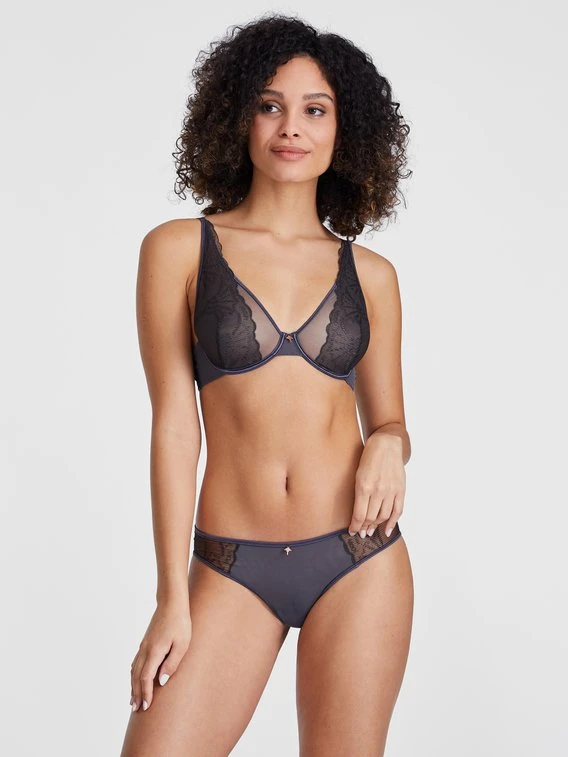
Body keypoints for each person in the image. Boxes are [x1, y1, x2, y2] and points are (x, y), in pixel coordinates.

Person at [121, 13, 414, 757]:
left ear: (345, 131)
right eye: (270, 105)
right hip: (230, 563)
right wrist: (171, 596)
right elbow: (174, 424)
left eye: (316, 109)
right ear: (237, 116)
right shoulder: (179, 249)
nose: (291, 127)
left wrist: (389, 442)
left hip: (359, 559)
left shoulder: (372, 275)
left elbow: (391, 421)